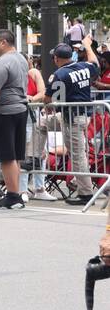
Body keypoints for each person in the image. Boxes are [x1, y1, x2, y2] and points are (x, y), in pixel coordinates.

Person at [0, 29, 32, 210]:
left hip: (3, 112)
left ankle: (12, 196)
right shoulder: (21, 59)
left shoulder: (1, 63)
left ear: (3, 42)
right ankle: (14, 193)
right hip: (19, 110)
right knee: (15, 155)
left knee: (7, 156)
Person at [44, 40, 98, 205]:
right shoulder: (84, 67)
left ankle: (86, 194)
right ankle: (33, 157)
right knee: (41, 124)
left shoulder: (60, 74)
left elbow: (50, 99)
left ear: (56, 58)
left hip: (71, 118)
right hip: (82, 116)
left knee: (77, 155)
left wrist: (48, 105)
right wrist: (87, 46)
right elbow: (95, 63)